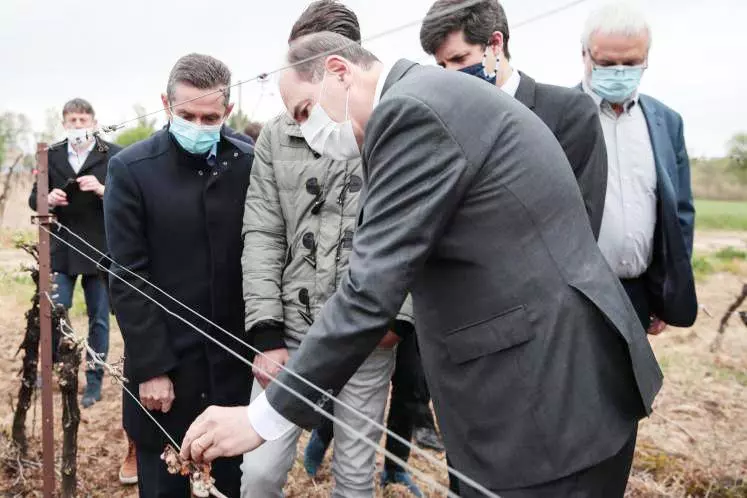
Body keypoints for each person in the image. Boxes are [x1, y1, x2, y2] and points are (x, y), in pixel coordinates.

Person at [182, 33, 665, 498]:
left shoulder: (410, 112)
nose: (308, 131)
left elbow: (369, 292)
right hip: (550, 389)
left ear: (338, 71)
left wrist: (262, 417)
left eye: (305, 111)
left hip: (544, 400)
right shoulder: (430, 96)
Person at [238, 2, 421, 496]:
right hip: (290, 338)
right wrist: (266, 331)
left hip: (367, 335)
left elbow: (416, 230)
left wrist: (395, 319)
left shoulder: (391, 126)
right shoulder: (278, 134)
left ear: (342, 66)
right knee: (258, 471)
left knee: (356, 475)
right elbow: (263, 232)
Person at [104, 53, 253, 497]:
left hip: (227, 362)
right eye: (186, 114)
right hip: (164, 369)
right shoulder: (131, 170)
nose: (198, 124)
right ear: (165, 105)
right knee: (163, 480)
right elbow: (128, 275)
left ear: (227, 112)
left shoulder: (248, 162)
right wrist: (152, 367)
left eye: (210, 117)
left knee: (226, 481)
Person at [420, 0, 608, 239]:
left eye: (459, 59)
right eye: (442, 65)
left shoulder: (569, 114)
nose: (450, 75)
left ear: (495, 44)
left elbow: (580, 227)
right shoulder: (443, 127)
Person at [580, 2, 697, 333]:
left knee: (634, 386)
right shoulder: (557, 115)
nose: (619, 71)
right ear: (585, 55)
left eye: (630, 63)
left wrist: (664, 294)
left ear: (646, 59)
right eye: (606, 62)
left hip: (638, 293)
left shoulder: (666, 122)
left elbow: (680, 214)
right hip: (576, 296)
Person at [29, 98, 121, 408]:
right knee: (56, 311)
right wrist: (48, 198)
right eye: (72, 120)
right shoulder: (50, 155)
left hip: (99, 249)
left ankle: (93, 382)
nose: (78, 126)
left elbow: (127, 199)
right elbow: (34, 200)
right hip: (63, 247)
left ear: (94, 122)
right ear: (64, 123)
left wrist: (103, 189)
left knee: (98, 319)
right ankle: (51, 368)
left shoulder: (113, 155)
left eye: (83, 120)